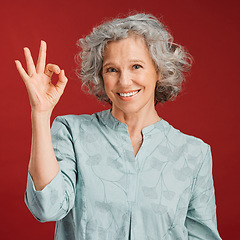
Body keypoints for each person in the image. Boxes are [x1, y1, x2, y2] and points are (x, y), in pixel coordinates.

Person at [15, 13, 222, 240]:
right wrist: (41, 114)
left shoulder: (194, 153)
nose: (124, 81)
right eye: (112, 69)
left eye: (136, 66)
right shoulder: (72, 132)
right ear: (101, 76)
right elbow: (47, 208)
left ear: (159, 71)